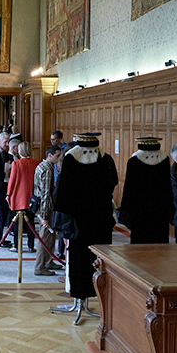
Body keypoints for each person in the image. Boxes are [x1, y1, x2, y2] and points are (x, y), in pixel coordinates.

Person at [54, 132, 118, 322]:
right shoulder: (105, 159)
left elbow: (61, 194)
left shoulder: (71, 160)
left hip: (77, 224)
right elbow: (112, 183)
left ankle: (79, 298)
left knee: (78, 261)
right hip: (100, 221)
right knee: (98, 261)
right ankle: (95, 298)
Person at [118, 137, 173, 244]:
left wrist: (125, 209)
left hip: (139, 210)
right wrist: (170, 207)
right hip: (160, 209)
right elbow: (168, 187)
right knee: (159, 240)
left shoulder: (134, 161)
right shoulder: (164, 160)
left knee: (140, 241)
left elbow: (129, 189)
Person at [32, 145, 64, 275]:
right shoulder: (47, 170)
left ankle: (48, 261)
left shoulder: (43, 166)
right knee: (44, 238)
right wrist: (44, 216)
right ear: (49, 155)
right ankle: (40, 267)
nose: (59, 157)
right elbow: (45, 194)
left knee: (50, 237)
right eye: (57, 155)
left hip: (44, 207)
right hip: (45, 208)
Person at [6, 141, 39, 253]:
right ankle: (31, 246)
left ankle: (17, 245)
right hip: (31, 197)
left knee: (17, 224)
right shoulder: (36, 163)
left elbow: (12, 181)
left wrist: (8, 194)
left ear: (20, 151)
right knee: (31, 223)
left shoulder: (16, 164)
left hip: (18, 197)